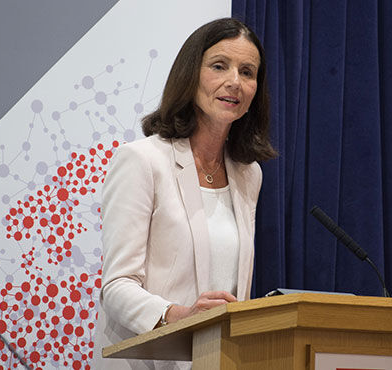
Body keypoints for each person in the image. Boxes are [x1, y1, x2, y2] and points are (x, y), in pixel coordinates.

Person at [93, 17, 276, 369]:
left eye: (248, 72)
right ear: (190, 75)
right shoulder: (142, 160)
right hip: (146, 360)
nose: (234, 82)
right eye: (219, 66)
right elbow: (116, 286)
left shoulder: (248, 174)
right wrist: (178, 315)